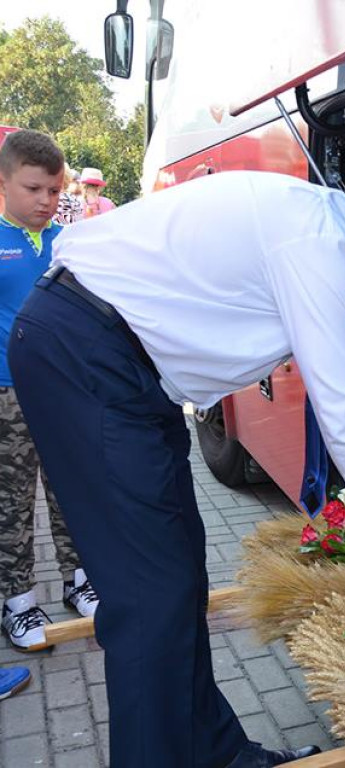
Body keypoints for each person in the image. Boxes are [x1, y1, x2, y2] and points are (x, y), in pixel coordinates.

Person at [8, 170, 345, 767]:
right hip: (90, 354)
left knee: (180, 573)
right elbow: (339, 400)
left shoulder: (321, 232)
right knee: (149, 596)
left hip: (127, 371)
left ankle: (213, 752)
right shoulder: (319, 243)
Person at [0, 130, 99, 653]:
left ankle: (78, 579)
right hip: (7, 395)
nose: (46, 201)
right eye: (34, 189)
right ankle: (17, 601)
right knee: (12, 503)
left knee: (70, 492)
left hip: (62, 392)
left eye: (55, 191)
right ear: (4, 183)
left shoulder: (67, 242)